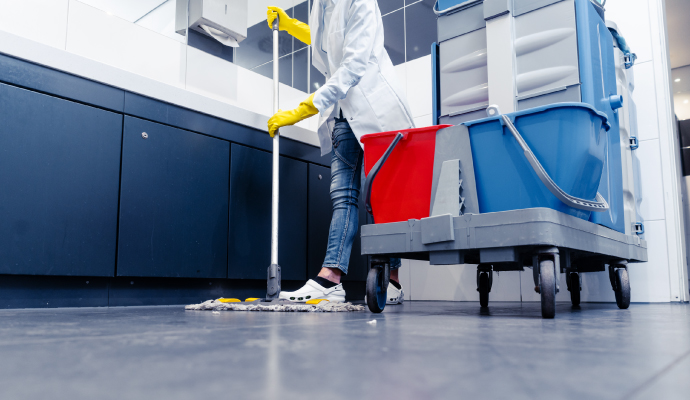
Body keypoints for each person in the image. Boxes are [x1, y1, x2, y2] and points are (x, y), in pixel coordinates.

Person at [266, 0, 415, 304]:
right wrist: (294, 27)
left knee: (383, 198)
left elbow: (353, 64)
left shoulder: (360, 2)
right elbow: (328, 40)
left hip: (377, 110)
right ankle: (331, 278)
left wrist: (305, 107)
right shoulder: (320, 5)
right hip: (343, 111)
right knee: (342, 194)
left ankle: (394, 280)